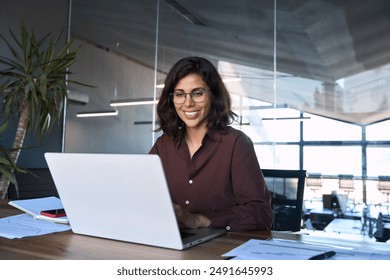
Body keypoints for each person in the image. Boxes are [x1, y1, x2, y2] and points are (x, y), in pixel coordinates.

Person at [149, 56, 272, 232]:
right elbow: (143, 197)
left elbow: (261, 214)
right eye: (179, 94)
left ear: (213, 95)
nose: (188, 103)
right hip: (172, 242)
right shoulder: (163, 146)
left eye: (198, 93)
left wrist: (199, 220)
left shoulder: (236, 143)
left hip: (218, 248)